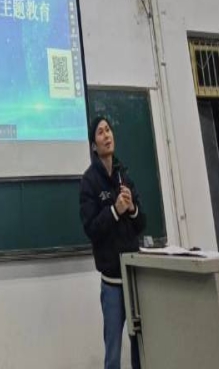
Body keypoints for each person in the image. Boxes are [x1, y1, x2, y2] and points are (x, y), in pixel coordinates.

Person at [80, 116, 146, 369]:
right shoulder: (89, 181)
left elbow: (142, 223)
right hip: (112, 284)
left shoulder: (124, 175)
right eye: (100, 132)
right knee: (114, 354)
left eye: (108, 130)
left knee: (141, 347)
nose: (107, 135)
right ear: (94, 145)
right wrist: (115, 211)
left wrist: (132, 209)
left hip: (134, 277)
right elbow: (91, 229)